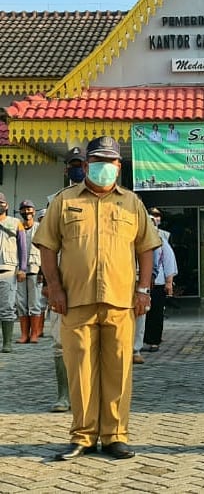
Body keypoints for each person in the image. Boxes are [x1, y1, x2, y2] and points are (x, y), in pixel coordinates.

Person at [34, 136, 161, 461]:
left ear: (119, 166)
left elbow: (146, 248)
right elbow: (48, 246)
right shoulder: (64, 201)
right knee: (80, 370)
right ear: (87, 165)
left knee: (119, 369)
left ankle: (116, 436)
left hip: (121, 302)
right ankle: (83, 436)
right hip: (74, 302)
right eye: (98, 161)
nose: (104, 167)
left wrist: (144, 290)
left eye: (110, 161)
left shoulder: (132, 203)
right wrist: (55, 288)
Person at [46, 146, 87, 412]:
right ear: (66, 169)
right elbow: (47, 245)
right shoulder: (55, 201)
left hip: (92, 281)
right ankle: (64, 396)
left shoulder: (104, 199)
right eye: (73, 164)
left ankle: (88, 395)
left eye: (80, 164)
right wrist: (50, 284)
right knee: (60, 341)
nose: (77, 169)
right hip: (63, 282)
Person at [143, 212, 178, 352]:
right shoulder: (137, 239)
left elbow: (168, 261)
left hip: (157, 283)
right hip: (140, 282)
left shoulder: (161, 241)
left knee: (156, 312)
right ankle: (140, 340)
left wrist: (169, 282)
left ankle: (154, 341)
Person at [0, 193, 28, 353]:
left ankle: (7, 343)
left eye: (1, 203)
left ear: (7, 205)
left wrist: (23, 268)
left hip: (8, 270)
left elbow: (23, 247)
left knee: (6, 307)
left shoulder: (15, 223)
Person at [15, 200, 44, 344]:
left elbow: (45, 251)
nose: (27, 212)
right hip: (19, 270)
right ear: (20, 212)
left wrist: (43, 272)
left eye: (29, 209)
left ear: (34, 211)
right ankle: (24, 334)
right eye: (24, 209)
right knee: (21, 302)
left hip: (35, 268)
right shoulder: (17, 227)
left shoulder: (39, 228)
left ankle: (35, 334)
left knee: (34, 302)